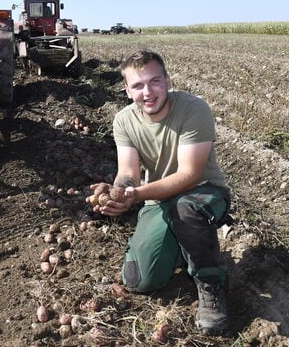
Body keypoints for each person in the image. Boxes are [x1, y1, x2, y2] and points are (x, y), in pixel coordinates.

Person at [90, 50, 231, 334]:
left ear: (167, 80)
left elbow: (189, 173)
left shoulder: (193, 109)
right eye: (138, 86)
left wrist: (137, 195)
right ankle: (183, 245)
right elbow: (128, 171)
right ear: (127, 91)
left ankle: (210, 284)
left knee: (185, 209)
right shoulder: (124, 120)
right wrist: (118, 191)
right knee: (139, 280)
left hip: (203, 193)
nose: (148, 92)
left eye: (154, 81)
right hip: (158, 198)